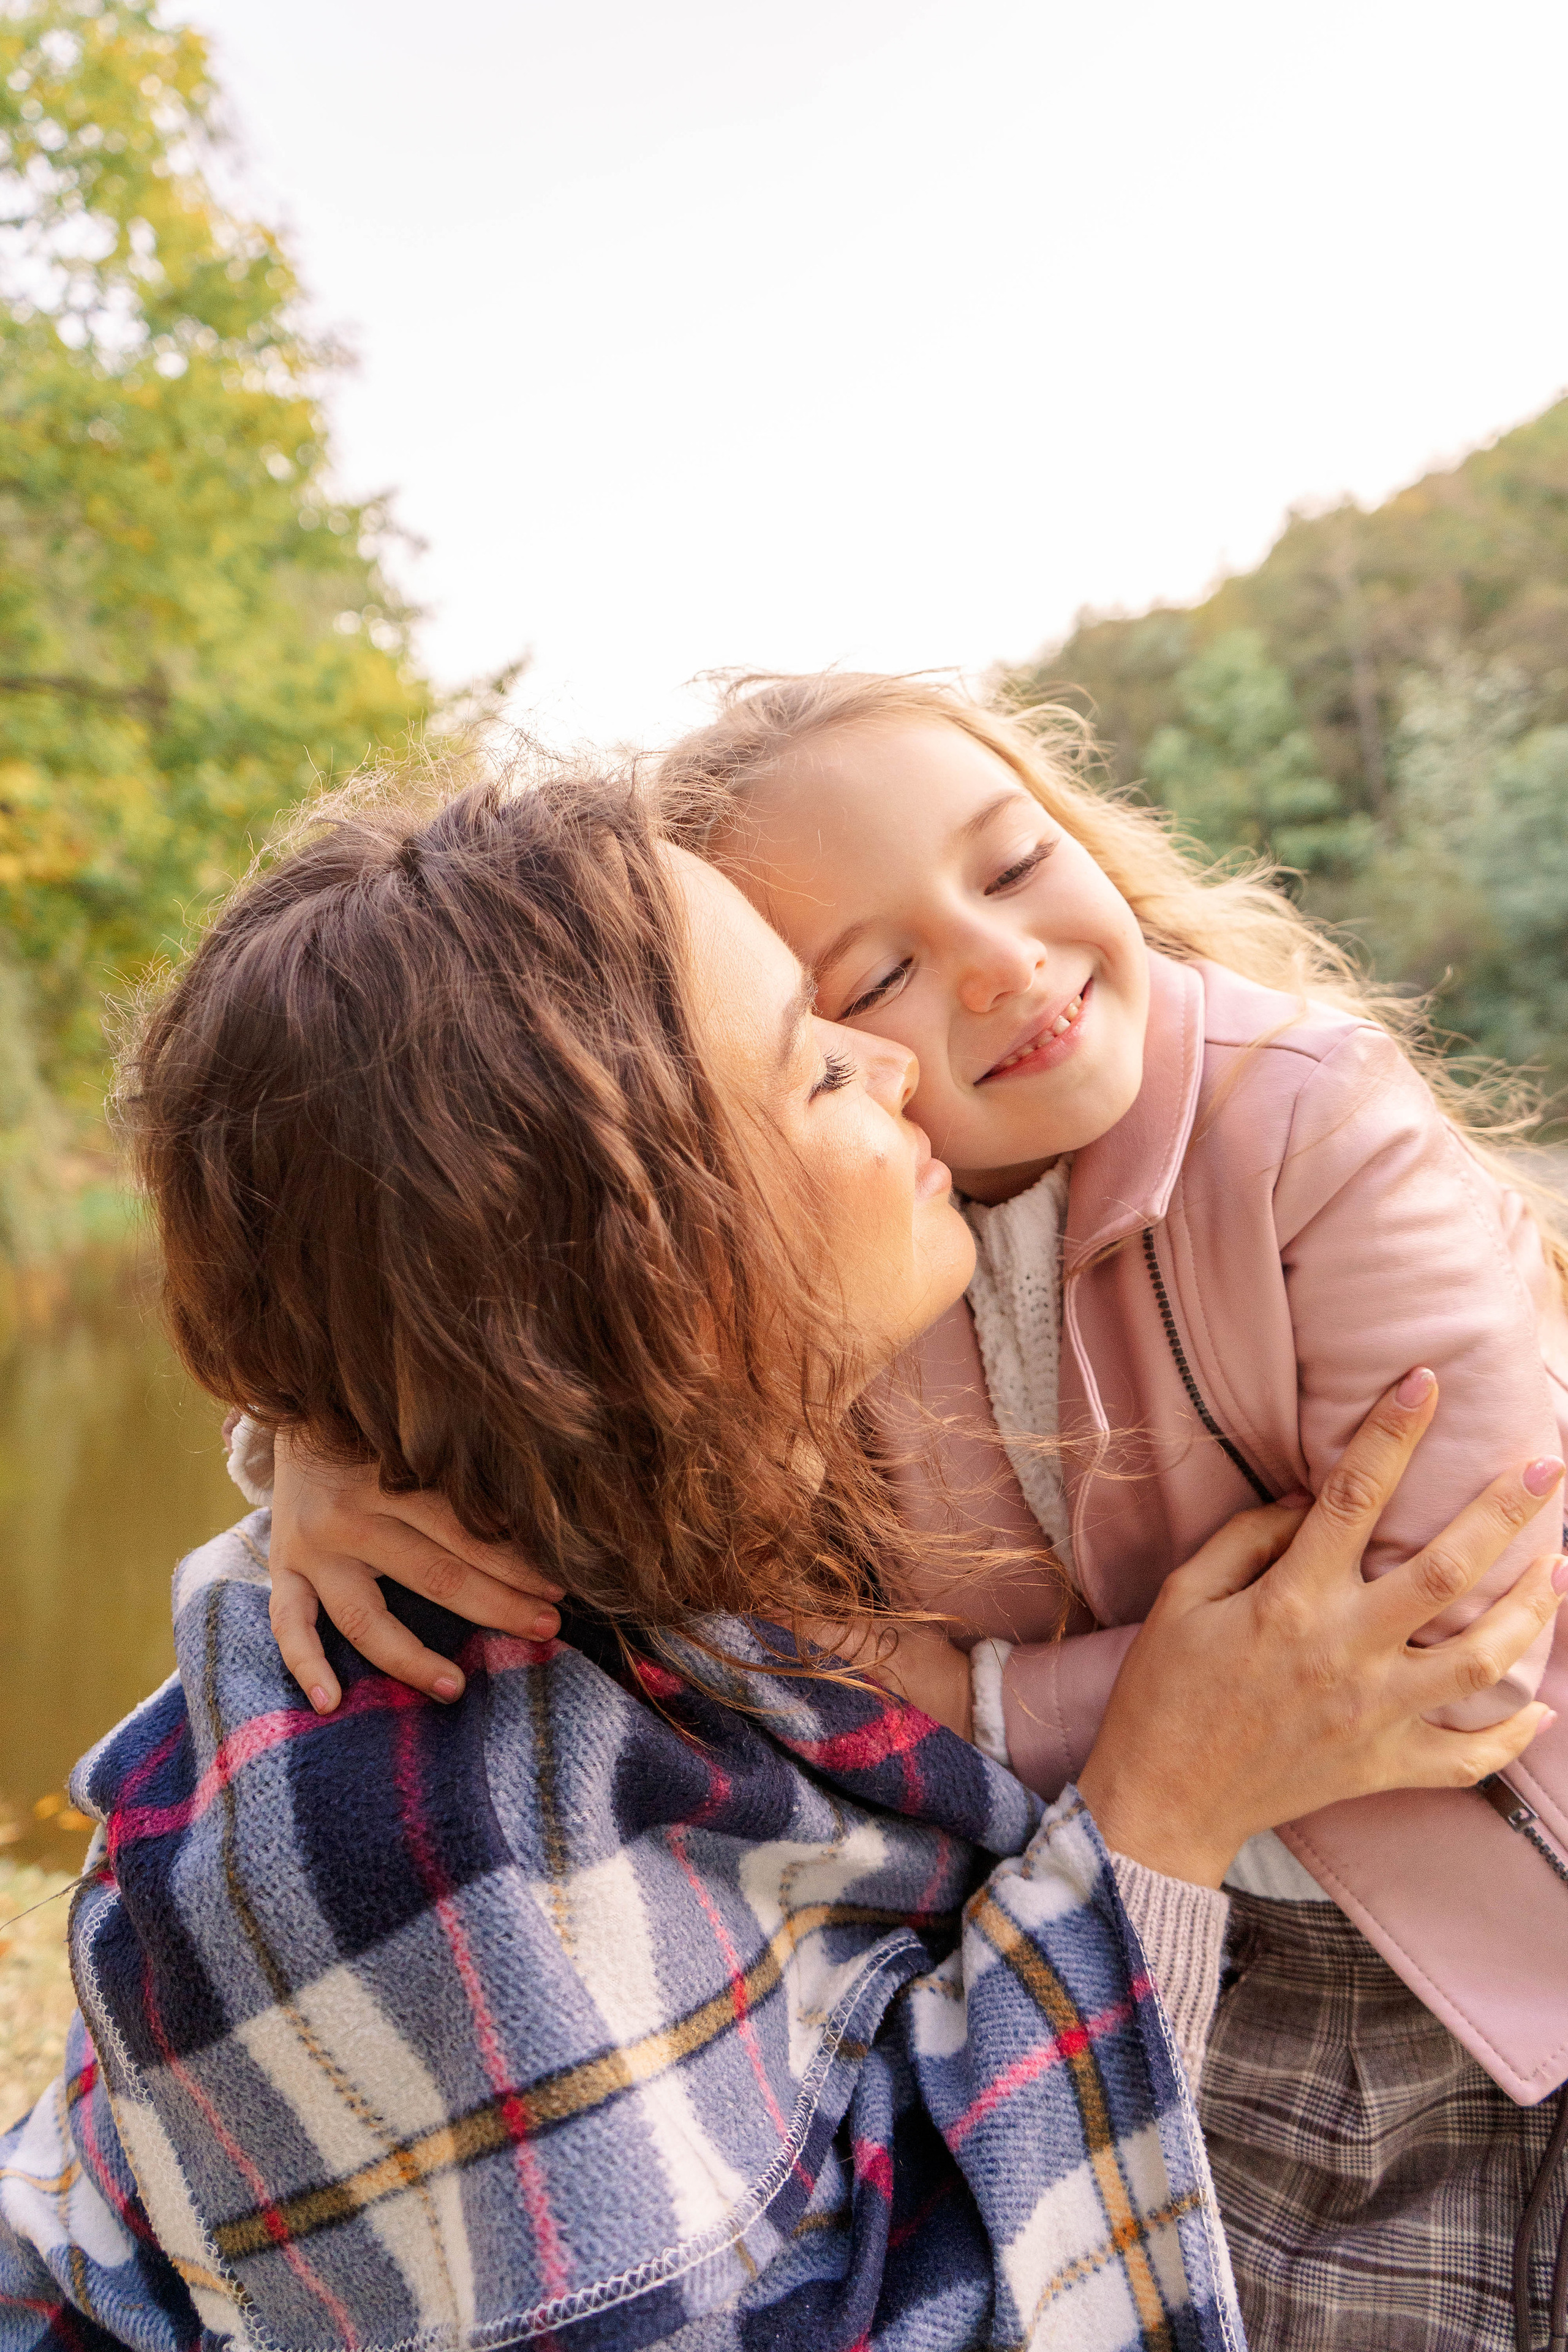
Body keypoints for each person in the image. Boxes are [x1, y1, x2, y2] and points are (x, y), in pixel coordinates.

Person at [0, 760, 1558, 2352]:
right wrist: (1164, 1814)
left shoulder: (621, 1481)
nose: (897, 1062)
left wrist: (307, 1425)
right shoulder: (427, 1855)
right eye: (819, 1057)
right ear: (652, 1271)